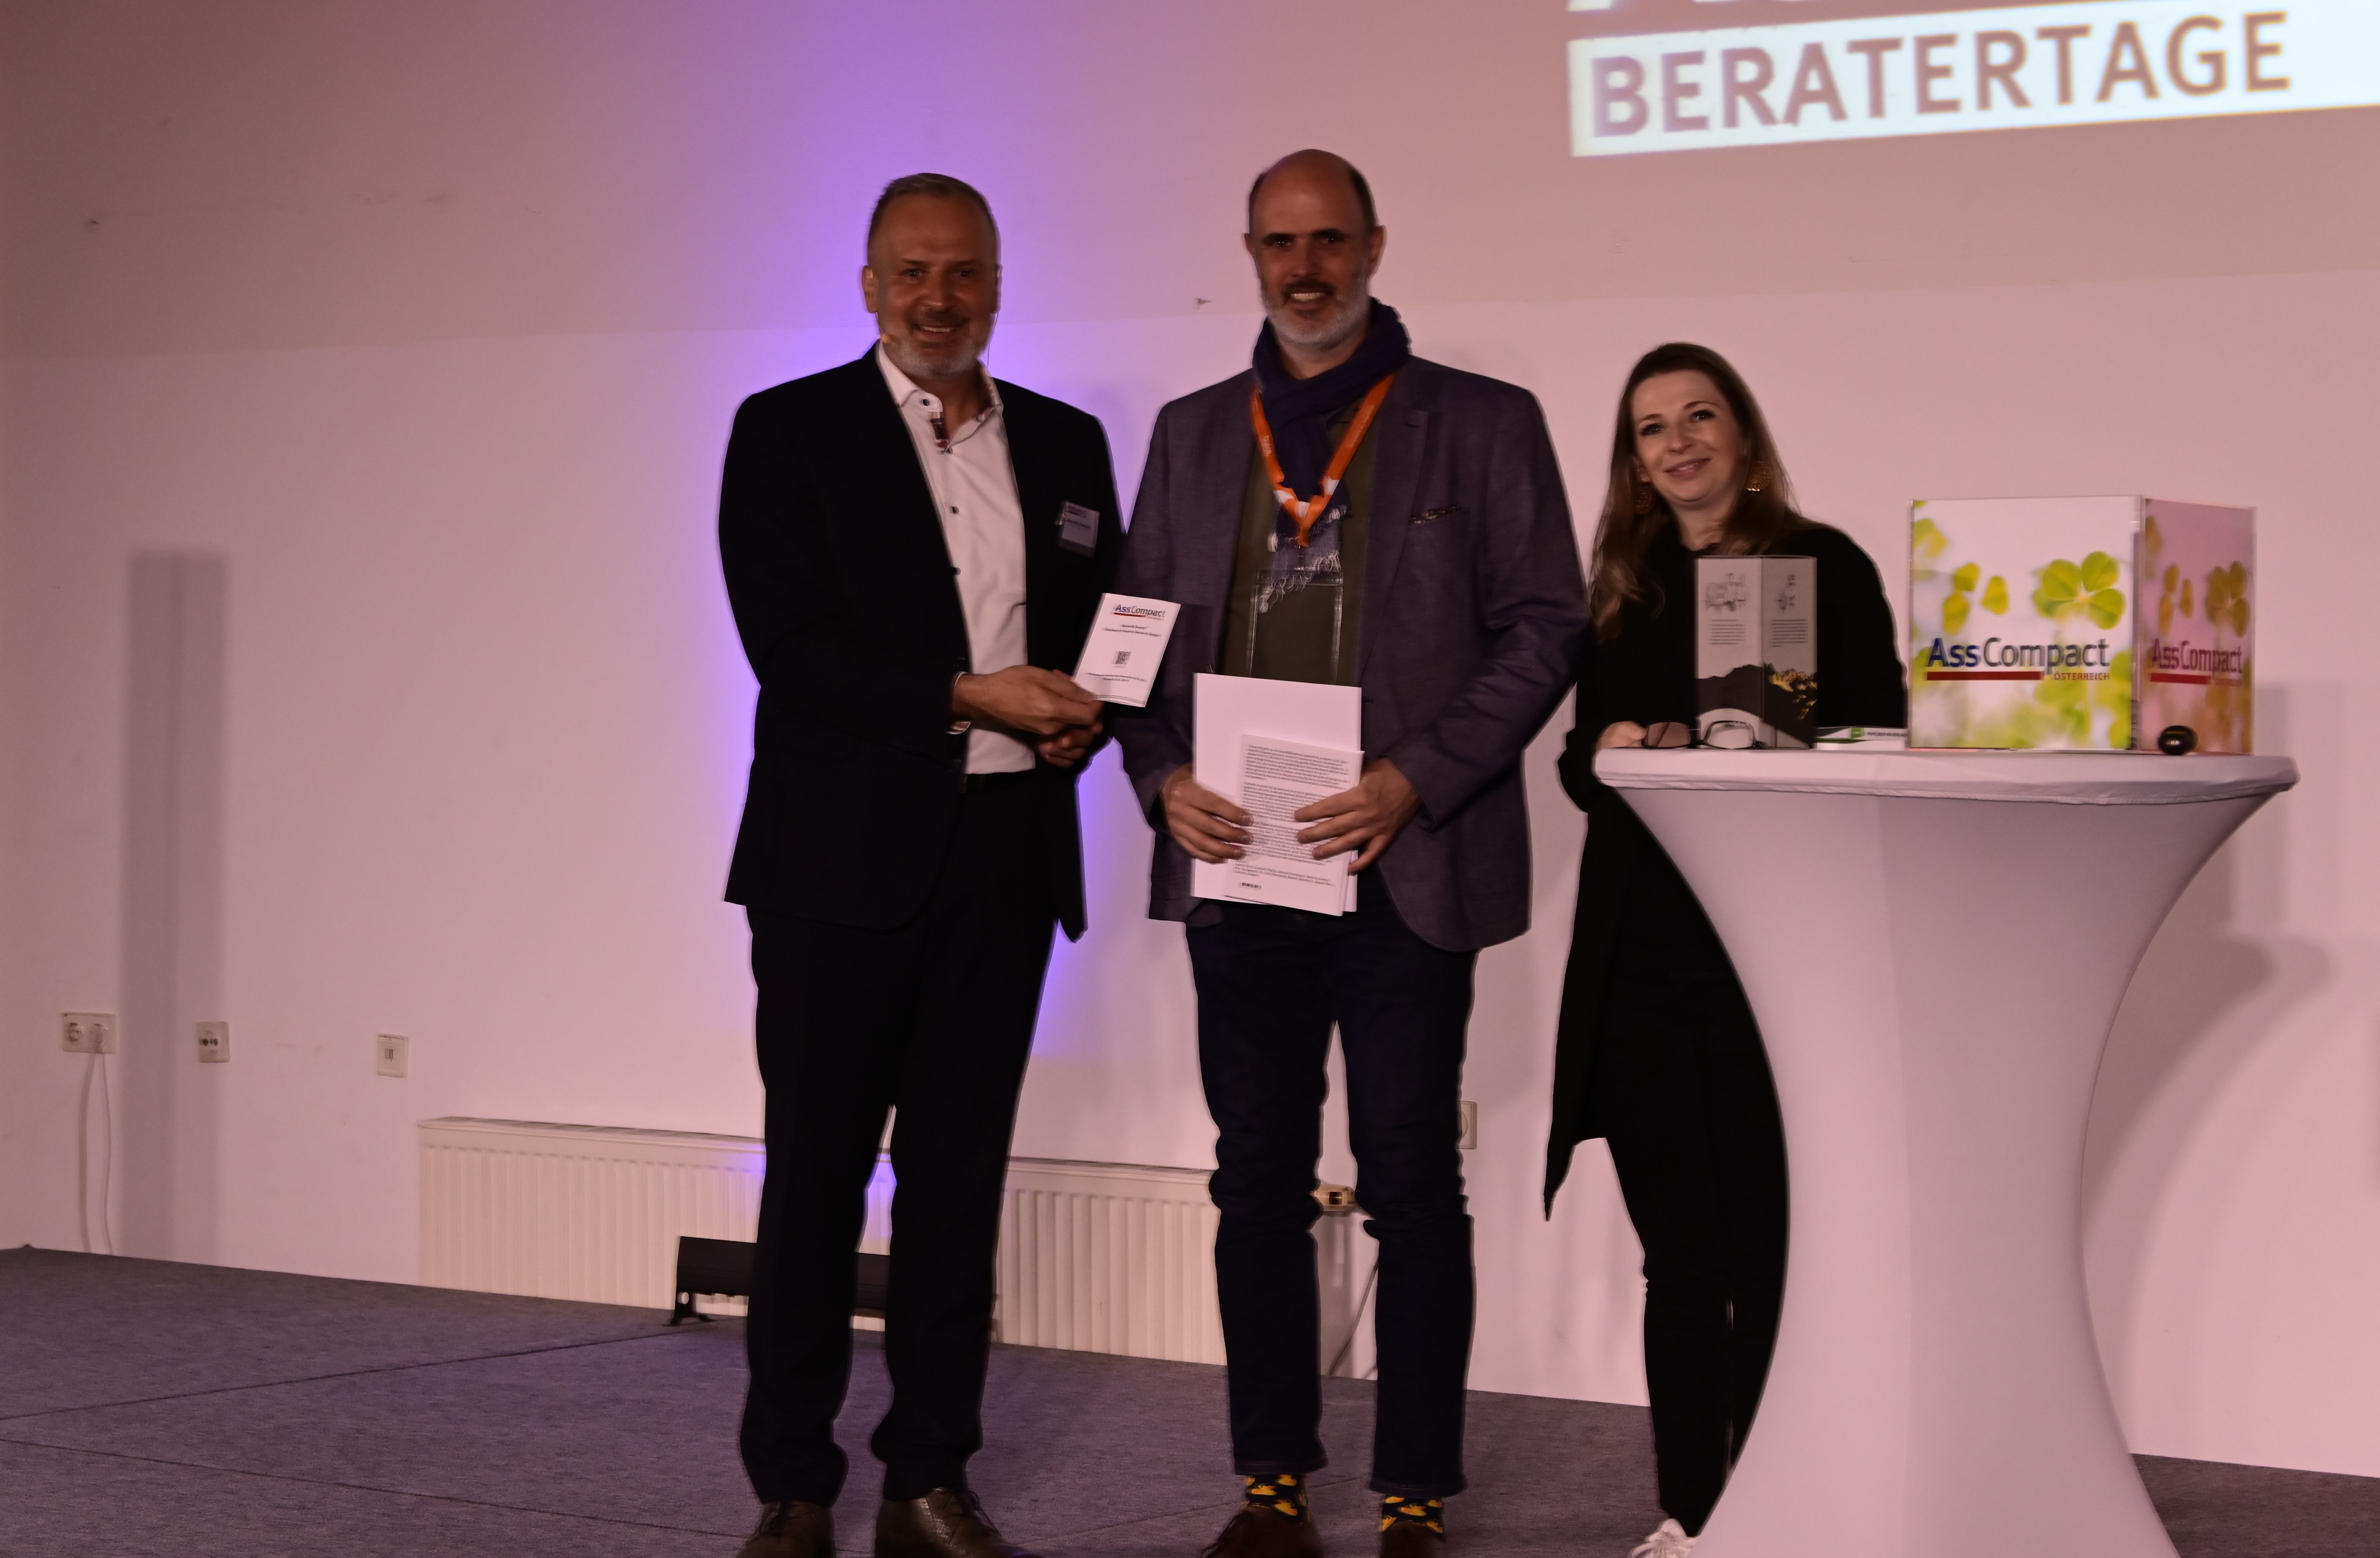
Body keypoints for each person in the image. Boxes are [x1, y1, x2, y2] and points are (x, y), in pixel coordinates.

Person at [1110, 150, 1587, 1558]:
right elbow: (1131, 644)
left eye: (1328, 242)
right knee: (1254, 1176)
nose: (1305, 269)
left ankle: (1412, 1491)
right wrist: (1161, 777)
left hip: (1403, 861)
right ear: (1249, 253)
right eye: (1280, 243)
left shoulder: (1482, 423)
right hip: (1242, 861)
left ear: (1375, 247)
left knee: (1411, 1184)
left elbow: (1547, 627)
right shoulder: (1196, 434)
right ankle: (1270, 1480)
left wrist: (1416, 780)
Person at [716, 173, 1120, 1558]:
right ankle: (793, 1485)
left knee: (958, 1189)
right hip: (834, 873)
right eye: (912, 272)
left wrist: (1091, 716)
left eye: (963, 272)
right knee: (814, 1184)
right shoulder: (786, 431)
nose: (938, 298)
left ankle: (928, 1478)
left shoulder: (1066, 444)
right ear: (869, 287)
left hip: (1005, 862)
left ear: (998, 284)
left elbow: (1111, 627)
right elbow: (791, 650)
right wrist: (969, 695)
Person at [1542, 343, 1906, 1558]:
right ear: (1634, 461)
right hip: (1640, 960)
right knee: (1681, 1261)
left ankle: (1780, 1502)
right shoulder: (1625, 588)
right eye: (1652, 428)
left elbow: (1884, 732)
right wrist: (1623, 748)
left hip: (1773, 960)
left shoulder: (1825, 565)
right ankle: (1692, 1514)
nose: (1679, 442)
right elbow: (1577, 765)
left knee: (1769, 1250)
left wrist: (1762, 740)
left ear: (1744, 436)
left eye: (1701, 416)